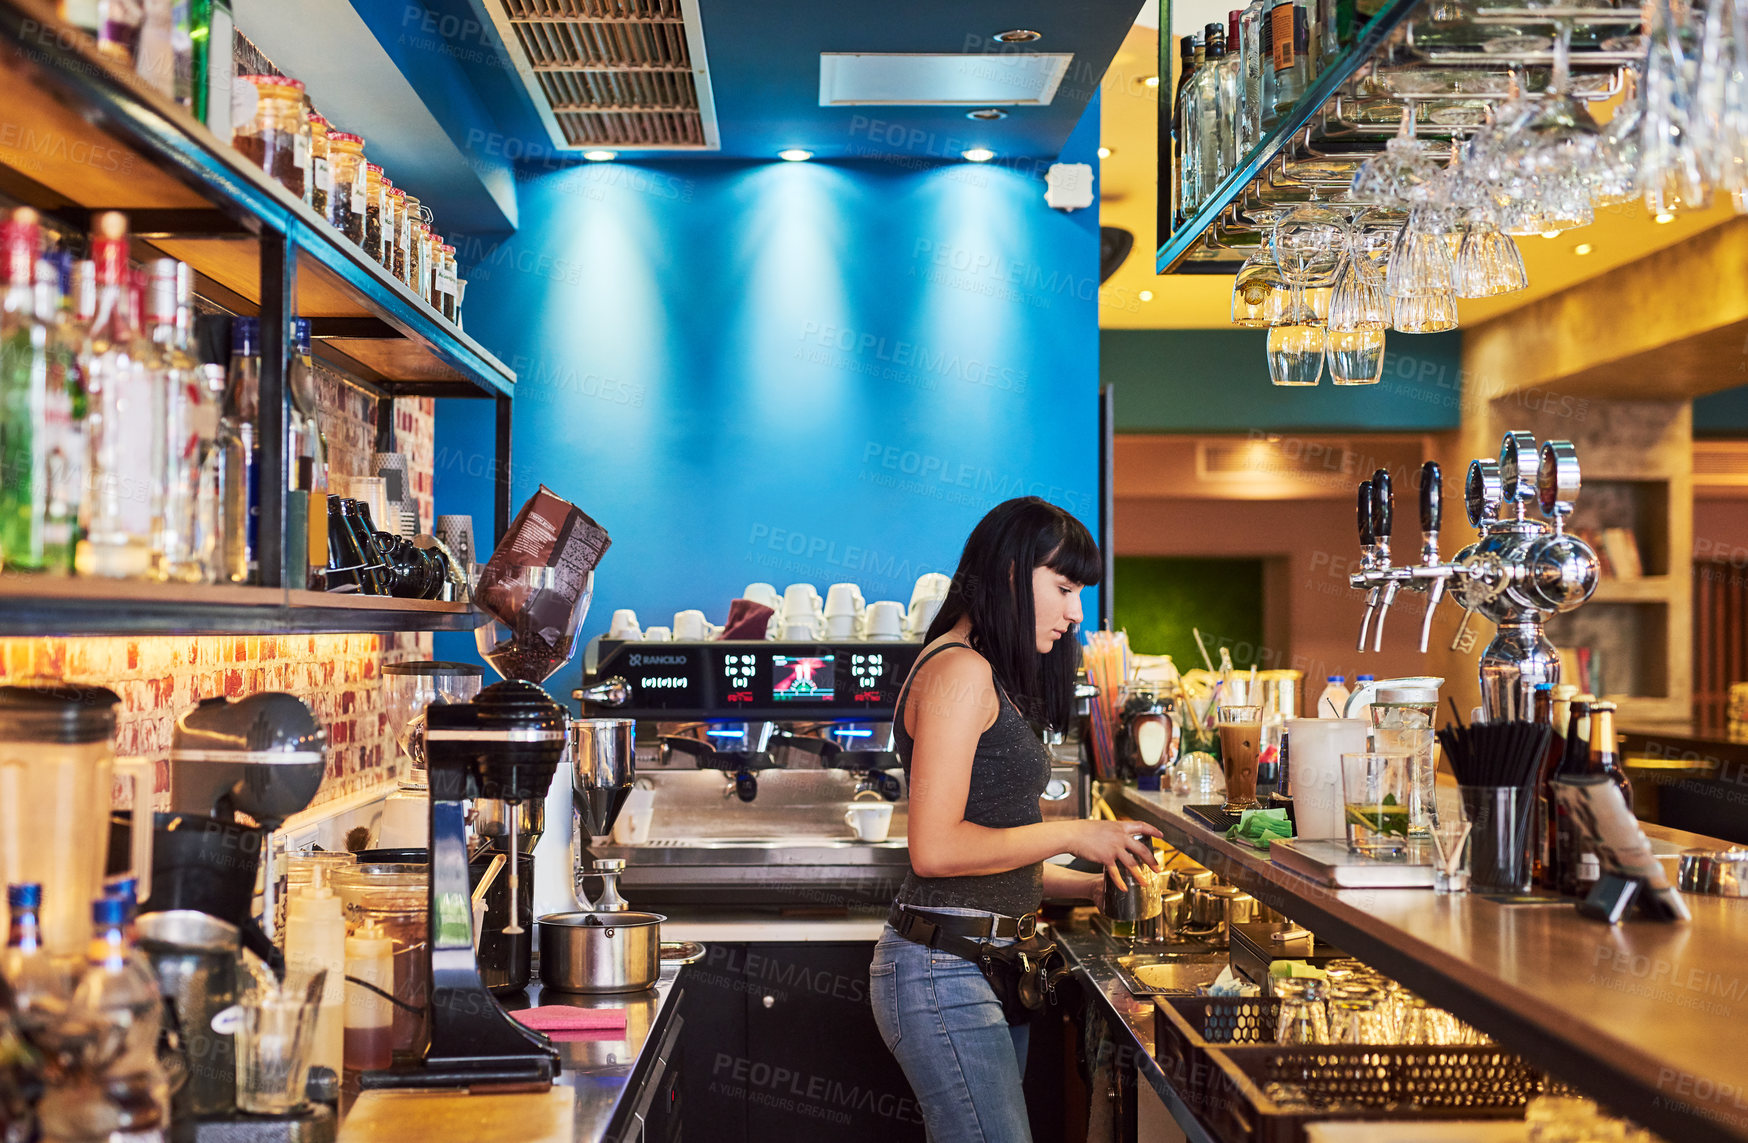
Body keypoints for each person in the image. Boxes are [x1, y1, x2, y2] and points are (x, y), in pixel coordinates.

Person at [869, 497, 1162, 1142]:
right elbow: (937, 850)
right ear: (1009, 573)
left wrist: (1086, 884)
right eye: (1063, 588)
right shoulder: (958, 671)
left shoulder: (983, 670)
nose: (1076, 612)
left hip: (985, 964)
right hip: (942, 970)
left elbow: (992, 853)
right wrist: (1073, 832)